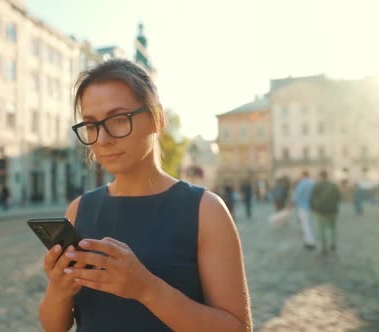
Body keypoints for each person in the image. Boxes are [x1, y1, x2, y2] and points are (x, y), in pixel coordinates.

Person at [38, 59, 252, 331]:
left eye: (118, 119)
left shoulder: (205, 210)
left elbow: (238, 328)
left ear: (156, 119)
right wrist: (59, 290)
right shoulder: (79, 209)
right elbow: (53, 326)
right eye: (91, 125)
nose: (102, 139)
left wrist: (146, 289)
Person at [310, 170, 341, 255]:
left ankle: (324, 248)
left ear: (320, 177)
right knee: (333, 228)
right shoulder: (333, 186)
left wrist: (314, 208)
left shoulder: (317, 186)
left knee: (321, 229)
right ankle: (333, 243)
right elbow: (339, 197)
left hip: (320, 211)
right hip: (332, 210)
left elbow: (311, 199)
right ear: (327, 176)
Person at [292, 171, 316, 250]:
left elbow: (297, 194)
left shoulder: (302, 183)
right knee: (308, 224)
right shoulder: (312, 183)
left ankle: (310, 242)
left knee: (305, 225)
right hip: (310, 206)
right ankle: (308, 240)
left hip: (302, 206)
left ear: (303, 175)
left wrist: (292, 203)